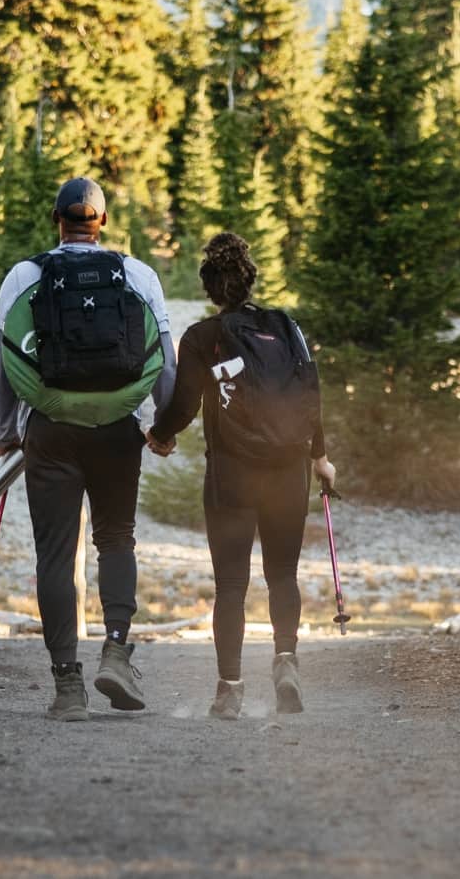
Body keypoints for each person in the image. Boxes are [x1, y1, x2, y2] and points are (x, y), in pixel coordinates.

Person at [0, 177, 174, 722]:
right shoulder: (137, 273)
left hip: (50, 428)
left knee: (54, 553)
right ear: (102, 223)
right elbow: (163, 352)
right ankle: (116, 650)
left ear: (58, 221)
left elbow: (3, 358)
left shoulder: (25, 275)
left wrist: (6, 430)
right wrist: (162, 425)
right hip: (119, 427)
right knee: (116, 539)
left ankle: (67, 686)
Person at [147, 232, 334, 721]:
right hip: (287, 473)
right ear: (250, 281)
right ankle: (286, 661)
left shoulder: (203, 337)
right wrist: (320, 457)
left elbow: (184, 404)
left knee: (231, 584)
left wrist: (159, 436)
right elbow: (310, 391)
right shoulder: (287, 327)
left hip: (231, 474)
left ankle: (229, 690)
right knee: (282, 576)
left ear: (210, 288)